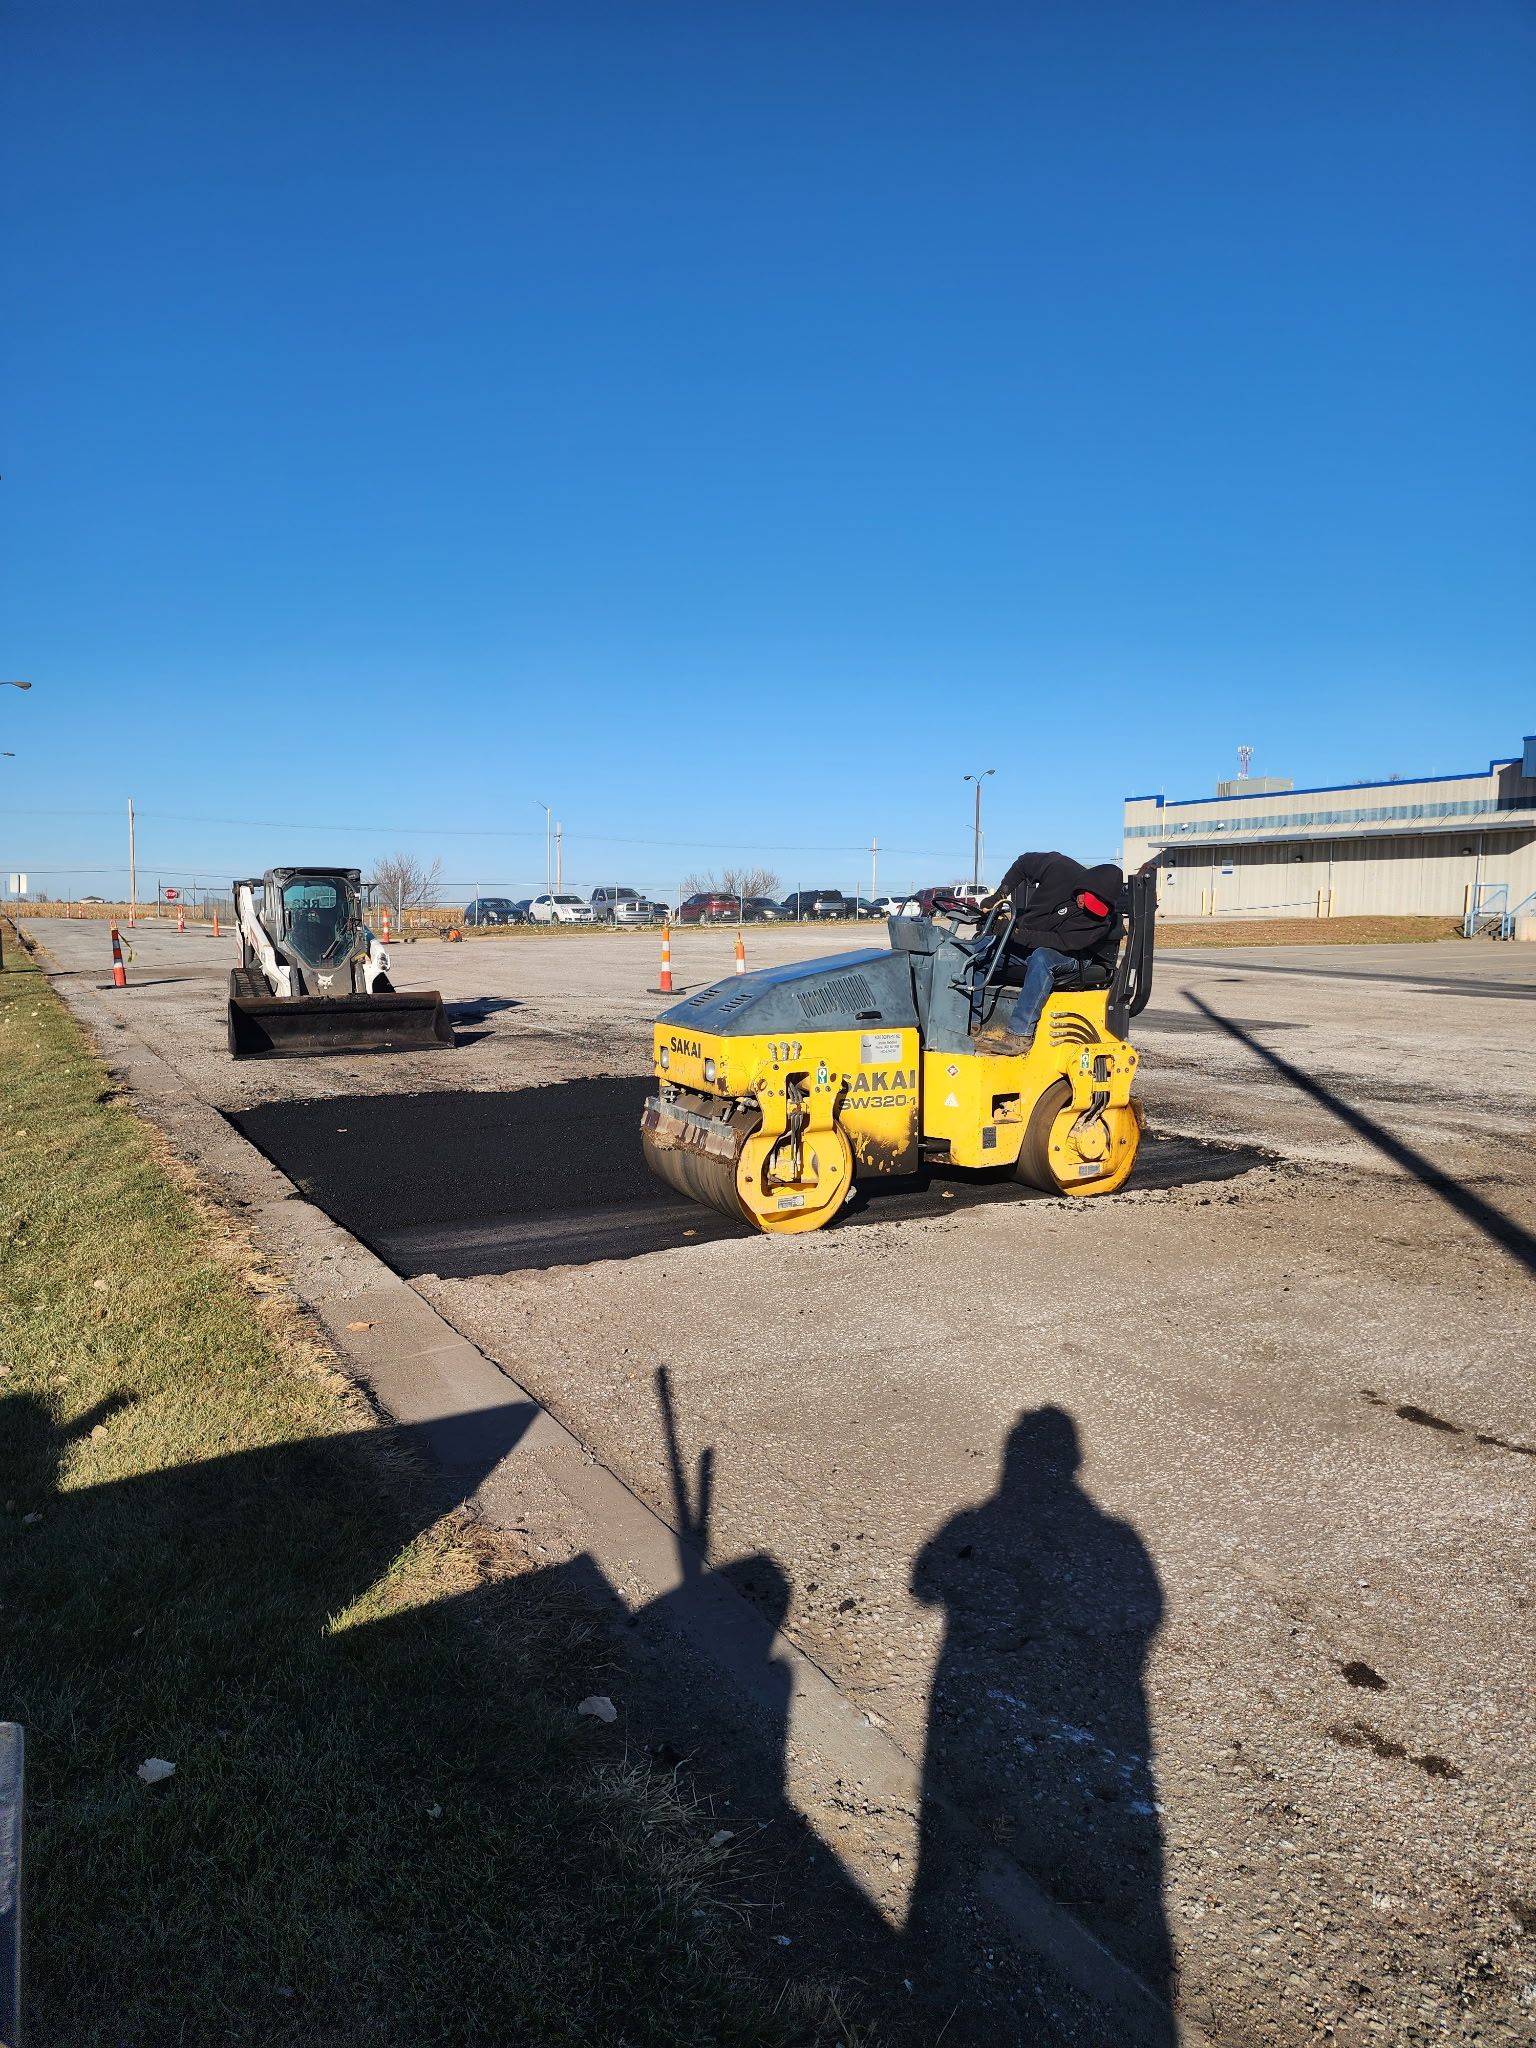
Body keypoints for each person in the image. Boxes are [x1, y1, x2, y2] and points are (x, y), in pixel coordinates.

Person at [975, 849, 1125, 1051]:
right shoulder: (1060, 868)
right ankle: (971, 1022)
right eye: (1088, 901)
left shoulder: (1100, 922)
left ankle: (1020, 1035)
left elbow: (1060, 941)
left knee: (1042, 957)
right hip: (1032, 940)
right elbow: (1024, 862)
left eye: (1096, 907)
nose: (1086, 908)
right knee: (976, 951)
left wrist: (1015, 934)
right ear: (1084, 885)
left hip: (1075, 955)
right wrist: (999, 895)